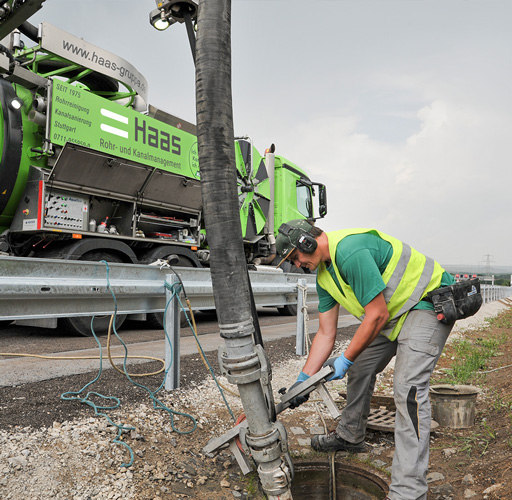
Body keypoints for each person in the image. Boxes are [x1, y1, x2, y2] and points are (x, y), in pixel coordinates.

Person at [275, 219, 456, 500]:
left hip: (427, 305)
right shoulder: (324, 276)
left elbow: (376, 315)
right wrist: (303, 380)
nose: (296, 265)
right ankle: (349, 435)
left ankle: (408, 491)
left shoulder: (350, 252)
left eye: (295, 258)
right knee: (359, 365)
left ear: (306, 243)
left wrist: (344, 359)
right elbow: (325, 333)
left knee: (408, 390)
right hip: (394, 314)